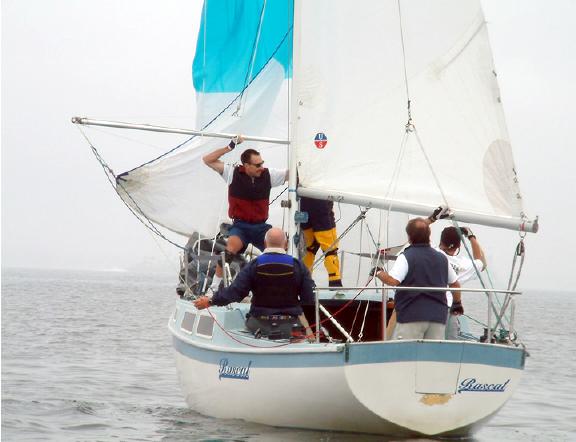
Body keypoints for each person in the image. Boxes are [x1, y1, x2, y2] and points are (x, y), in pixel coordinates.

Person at [194, 227, 315, 340]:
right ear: (286, 244)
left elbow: (235, 292)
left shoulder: (253, 265)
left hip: (258, 325)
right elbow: (309, 298)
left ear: (265, 243)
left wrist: (211, 301)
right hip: (290, 326)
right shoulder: (298, 266)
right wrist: (311, 327)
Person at [203, 136, 288, 291]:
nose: (261, 167)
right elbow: (207, 160)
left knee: (280, 252)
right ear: (246, 165)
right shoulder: (232, 173)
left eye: (262, 163)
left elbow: (293, 174)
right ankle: (213, 288)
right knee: (229, 251)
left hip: (260, 227)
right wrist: (230, 146)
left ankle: (282, 287)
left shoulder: (268, 175)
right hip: (241, 226)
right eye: (257, 165)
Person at [371, 218, 461, 340]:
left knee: (406, 350)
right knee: (432, 350)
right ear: (429, 235)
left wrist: (378, 272)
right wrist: (457, 304)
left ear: (409, 237)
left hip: (412, 316)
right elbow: (455, 285)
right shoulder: (442, 259)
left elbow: (392, 280)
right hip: (438, 318)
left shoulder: (406, 257)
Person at [435, 223, 487, 339]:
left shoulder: (431, 253)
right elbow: (482, 263)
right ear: (458, 246)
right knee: (450, 344)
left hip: (426, 305)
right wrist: (471, 237)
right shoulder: (462, 265)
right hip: (448, 309)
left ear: (441, 241)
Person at [299, 196, 342, 287]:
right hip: (321, 205)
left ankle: (304, 282)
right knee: (330, 249)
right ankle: (335, 282)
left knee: (309, 249)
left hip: (302, 204)